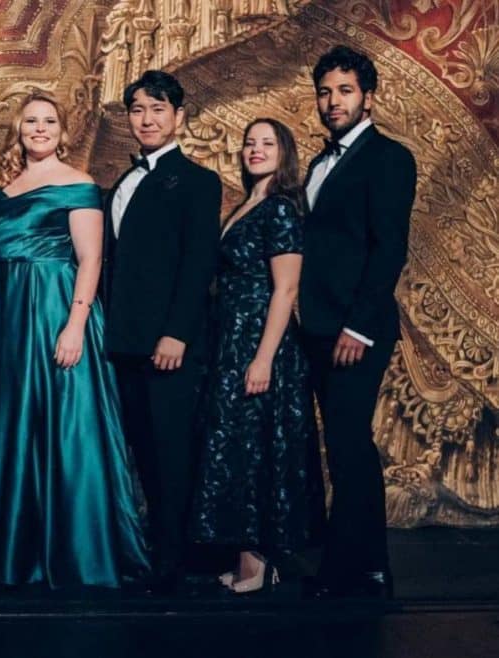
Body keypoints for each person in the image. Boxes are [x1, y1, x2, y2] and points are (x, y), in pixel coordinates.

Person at [0, 93, 149, 588]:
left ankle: (74, 550)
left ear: (63, 131)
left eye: (49, 121)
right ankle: (9, 549)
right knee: (9, 427)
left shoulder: (78, 184)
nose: (40, 129)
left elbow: (91, 260)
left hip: (56, 308)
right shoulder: (0, 188)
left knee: (63, 426)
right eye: (32, 121)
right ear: (19, 129)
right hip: (4, 317)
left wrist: (75, 325)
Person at [188, 118, 324, 594]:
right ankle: (248, 560)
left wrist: (264, 358)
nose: (256, 150)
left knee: (258, 448)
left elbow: (286, 289)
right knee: (240, 449)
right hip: (232, 339)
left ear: (284, 152)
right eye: (250, 143)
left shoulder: (281, 208)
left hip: (262, 342)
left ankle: (260, 564)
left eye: (267, 143)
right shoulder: (247, 204)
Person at [300, 45, 415, 600]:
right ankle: (363, 565)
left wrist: (359, 327)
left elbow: (389, 249)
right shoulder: (318, 163)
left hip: (356, 328)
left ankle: (357, 569)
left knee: (349, 445)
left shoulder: (388, 157)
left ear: (367, 98)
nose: (333, 102)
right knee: (342, 447)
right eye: (325, 92)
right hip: (317, 325)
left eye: (344, 91)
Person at [99, 70, 221, 593]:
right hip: (123, 341)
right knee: (143, 448)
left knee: (172, 450)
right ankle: (154, 548)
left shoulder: (197, 181)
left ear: (179, 116)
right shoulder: (120, 182)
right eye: (138, 110)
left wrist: (176, 334)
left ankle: (175, 559)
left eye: (157, 109)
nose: (146, 119)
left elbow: (198, 266)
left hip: (167, 343)